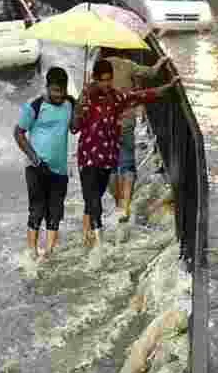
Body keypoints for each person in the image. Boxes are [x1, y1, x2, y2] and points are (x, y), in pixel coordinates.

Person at [73, 58, 180, 248]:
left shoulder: (116, 97)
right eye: (103, 80)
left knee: (94, 198)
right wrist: (79, 107)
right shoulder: (85, 98)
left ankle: (90, 238)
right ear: (95, 79)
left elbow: (141, 96)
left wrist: (168, 87)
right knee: (93, 199)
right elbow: (74, 128)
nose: (106, 84)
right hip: (88, 158)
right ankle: (98, 245)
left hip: (107, 159)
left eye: (109, 80)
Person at [98, 47, 172, 223]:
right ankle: (125, 206)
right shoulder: (128, 65)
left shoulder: (99, 69)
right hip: (126, 123)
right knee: (127, 164)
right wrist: (161, 61)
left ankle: (118, 204)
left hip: (105, 126)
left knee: (110, 167)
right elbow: (151, 73)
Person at [14, 67, 75, 262]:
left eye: (62, 91)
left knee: (55, 212)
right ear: (48, 87)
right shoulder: (35, 106)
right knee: (37, 210)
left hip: (60, 170)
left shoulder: (69, 105)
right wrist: (35, 159)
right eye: (55, 91)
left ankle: (48, 254)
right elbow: (18, 133)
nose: (59, 95)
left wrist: (80, 106)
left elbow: (74, 128)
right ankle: (32, 252)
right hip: (36, 168)